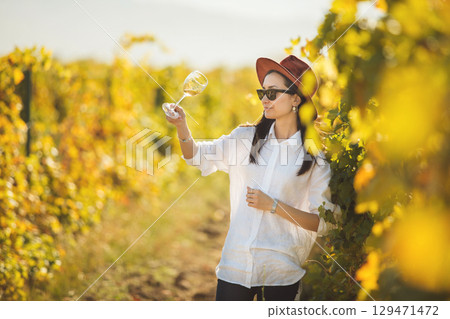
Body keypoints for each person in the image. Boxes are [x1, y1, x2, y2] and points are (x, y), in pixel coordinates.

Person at [165, 55, 340, 301]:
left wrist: (275, 206)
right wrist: (181, 126)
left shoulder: (314, 156)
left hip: (281, 273)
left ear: (295, 99)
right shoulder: (245, 138)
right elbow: (197, 156)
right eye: (262, 92)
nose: (264, 100)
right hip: (234, 267)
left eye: (272, 93)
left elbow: (326, 222)